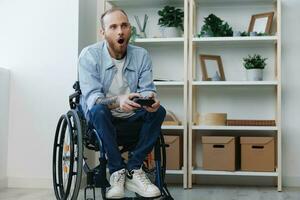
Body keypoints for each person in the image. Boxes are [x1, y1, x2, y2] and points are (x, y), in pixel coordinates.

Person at [78, 8, 166, 199]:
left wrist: (150, 99)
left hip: (131, 118)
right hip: (101, 122)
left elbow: (147, 88)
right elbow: (93, 99)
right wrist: (118, 100)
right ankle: (117, 171)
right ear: (103, 32)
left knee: (159, 112)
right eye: (113, 27)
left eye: (124, 25)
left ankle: (134, 170)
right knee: (100, 110)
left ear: (130, 29)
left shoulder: (141, 55)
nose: (120, 31)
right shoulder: (89, 55)